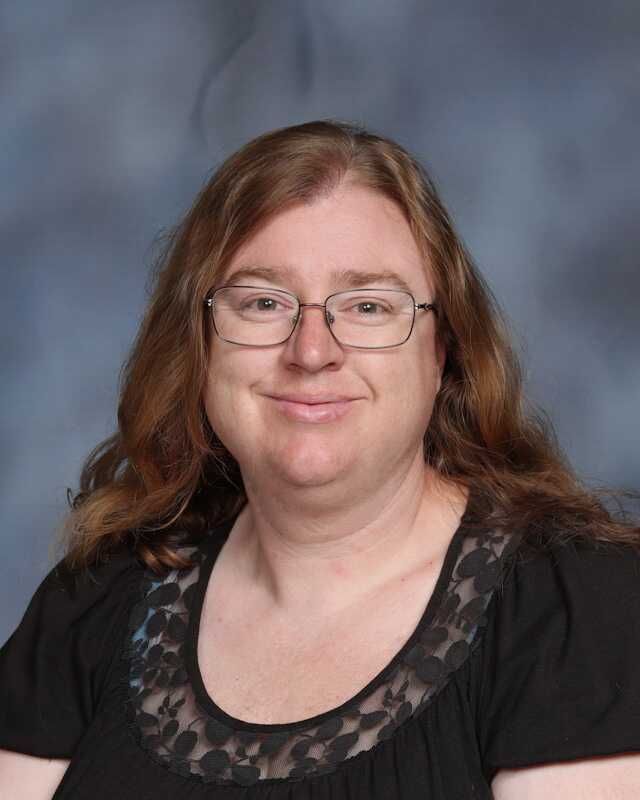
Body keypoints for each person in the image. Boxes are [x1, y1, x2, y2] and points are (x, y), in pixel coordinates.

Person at [0, 119, 639, 800]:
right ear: (199, 343)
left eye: (368, 305)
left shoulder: (575, 613)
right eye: (262, 302)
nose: (311, 351)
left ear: (442, 349)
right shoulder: (99, 598)